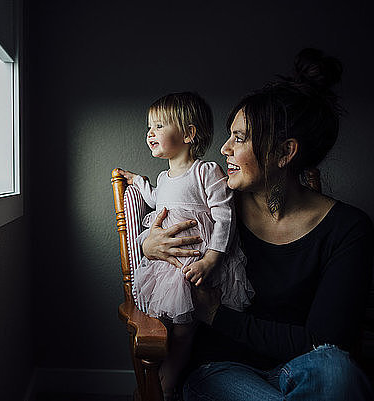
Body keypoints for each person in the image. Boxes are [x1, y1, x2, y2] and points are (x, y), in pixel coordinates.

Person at [141, 49, 374, 400]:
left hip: (308, 366)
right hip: (221, 368)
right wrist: (149, 244)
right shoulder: (213, 211)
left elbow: (325, 340)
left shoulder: (348, 230)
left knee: (337, 371)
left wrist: (217, 314)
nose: (224, 149)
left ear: (285, 153)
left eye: (240, 138)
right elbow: (161, 236)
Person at [118, 92, 254, 400]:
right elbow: (155, 199)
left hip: (199, 261)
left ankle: (167, 384)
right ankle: (163, 381)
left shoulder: (205, 171)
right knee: (164, 324)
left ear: (189, 133)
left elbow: (225, 215)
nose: (149, 133)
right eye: (148, 127)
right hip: (171, 269)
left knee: (183, 331)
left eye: (159, 126)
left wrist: (212, 258)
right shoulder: (164, 177)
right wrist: (139, 182)